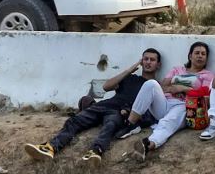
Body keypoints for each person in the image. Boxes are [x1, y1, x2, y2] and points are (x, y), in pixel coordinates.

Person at [23, 48, 162, 166]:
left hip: (120, 113)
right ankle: (50, 147)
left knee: (110, 126)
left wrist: (129, 113)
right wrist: (130, 70)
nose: (148, 62)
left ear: (158, 65)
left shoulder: (155, 88)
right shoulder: (131, 78)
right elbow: (106, 87)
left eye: (152, 60)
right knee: (75, 121)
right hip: (106, 105)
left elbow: (150, 113)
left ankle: (95, 152)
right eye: (145, 59)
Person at [121, 42, 215, 162]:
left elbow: (206, 96)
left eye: (203, 54)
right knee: (151, 84)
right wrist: (174, 88)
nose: (200, 56)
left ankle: (148, 144)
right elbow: (163, 86)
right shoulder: (177, 69)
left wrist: (183, 88)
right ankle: (130, 124)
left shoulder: (208, 75)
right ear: (190, 56)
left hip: (185, 106)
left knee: (168, 121)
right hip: (164, 103)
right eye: (197, 53)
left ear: (206, 58)